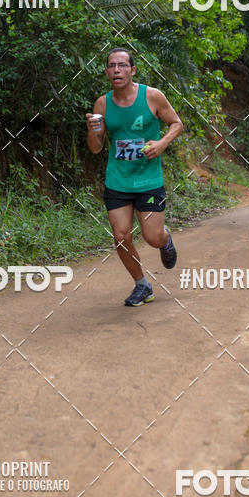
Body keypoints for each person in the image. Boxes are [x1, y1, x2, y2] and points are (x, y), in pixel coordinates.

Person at [86, 47, 183, 306]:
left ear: (132, 70)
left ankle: (165, 239)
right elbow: (95, 148)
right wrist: (93, 130)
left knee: (152, 237)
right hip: (118, 180)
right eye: (111, 66)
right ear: (107, 71)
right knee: (121, 236)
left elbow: (176, 123)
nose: (116, 70)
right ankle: (142, 285)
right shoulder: (102, 104)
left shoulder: (152, 97)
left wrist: (161, 144)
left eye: (122, 65)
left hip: (148, 180)